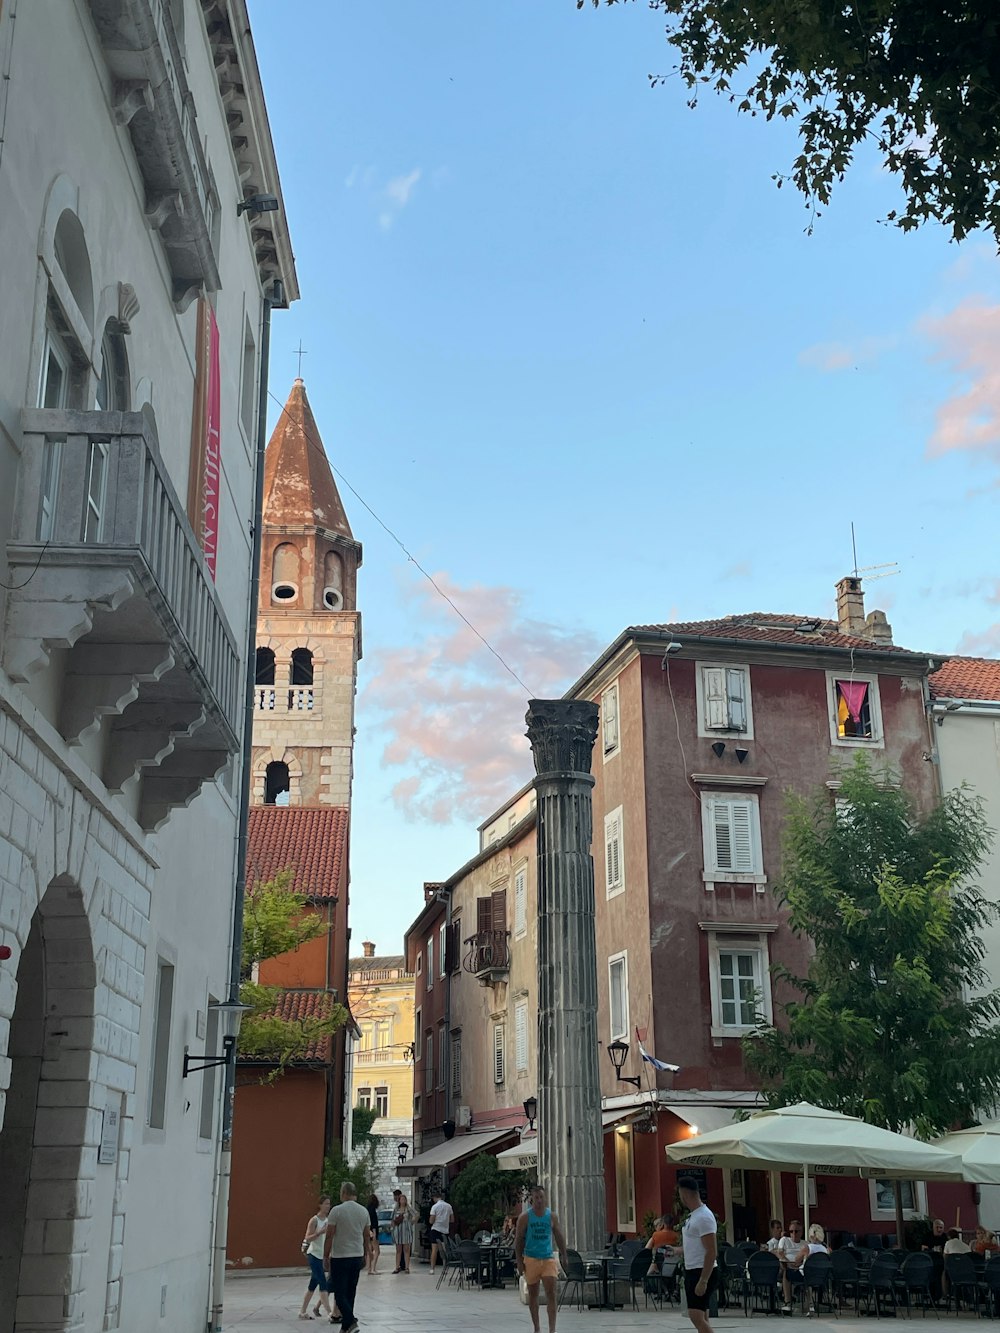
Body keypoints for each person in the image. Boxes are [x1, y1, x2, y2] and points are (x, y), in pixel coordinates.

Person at [663, 1177, 717, 1333]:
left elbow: (711, 1250)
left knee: (695, 1316)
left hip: (701, 1270)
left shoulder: (704, 1217)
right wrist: (675, 1250)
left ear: (684, 1193)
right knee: (702, 1316)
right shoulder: (694, 1216)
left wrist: (703, 1280)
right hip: (693, 1269)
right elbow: (694, 1246)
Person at [515, 1185, 570, 1333]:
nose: (539, 1200)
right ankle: (537, 1328)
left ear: (545, 1198)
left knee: (551, 1293)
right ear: (532, 1199)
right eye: (536, 1198)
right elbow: (519, 1239)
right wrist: (519, 1261)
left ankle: (552, 1329)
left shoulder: (551, 1216)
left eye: (541, 1197)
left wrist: (564, 1255)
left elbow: (558, 1235)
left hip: (547, 1258)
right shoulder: (525, 1217)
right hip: (531, 1258)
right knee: (533, 1294)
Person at [326, 1181, 372, 1333]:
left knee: (339, 1292)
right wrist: (366, 1253)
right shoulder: (363, 1211)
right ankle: (346, 1327)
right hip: (357, 1255)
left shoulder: (336, 1211)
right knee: (351, 1291)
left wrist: (326, 1255)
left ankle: (351, 1321)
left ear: (344, 1193)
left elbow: (330, 1234)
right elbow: (366, 1235)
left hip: (340, 1256)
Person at [298, 1195, 335, 1322]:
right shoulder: (314, 1220)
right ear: (320, 1205)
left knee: (312, 1285)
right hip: (313, 1254)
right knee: (322, 1282)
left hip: (322, 1255)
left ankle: (302, 1311)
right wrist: (320, 1232)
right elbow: (307, 1237)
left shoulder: (330, 1220)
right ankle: (330, 1312)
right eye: (326, 1204)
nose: (328, 1206)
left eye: (329, 1204)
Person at [428, 1188, 454, 1274]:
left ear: (434, 1198)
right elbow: (452, 1219)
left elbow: (431, 1220)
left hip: (436, 1229)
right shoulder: (449, 1206)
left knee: (434, 1250)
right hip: (445, 1230)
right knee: (444, 1249)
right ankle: (445, 1268)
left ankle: (432, 1269)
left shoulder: (434, 1207)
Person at [391, 1190, 414, 1273]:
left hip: (406, 1231)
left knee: (406, 1250)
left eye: (404, 1199)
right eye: (401, 1199)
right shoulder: (396, 1209)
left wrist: (411, 1223)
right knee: (398, 1250)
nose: (402, 1201)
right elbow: (393, 1220)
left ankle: (407, 1267)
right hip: (398, 1231)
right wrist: (392, 1230)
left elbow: (416, 1214)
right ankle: (397, 1267)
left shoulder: (408, 1208)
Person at [365, 1194, 380, 1275]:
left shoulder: (367, 1210)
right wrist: (374, 1234)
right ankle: (373, 1268)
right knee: (377, 1251)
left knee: (369, 1251)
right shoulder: (373, 1210)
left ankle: (369, 1268)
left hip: (367, 1232)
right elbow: (373, 1223)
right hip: (373, 1232)